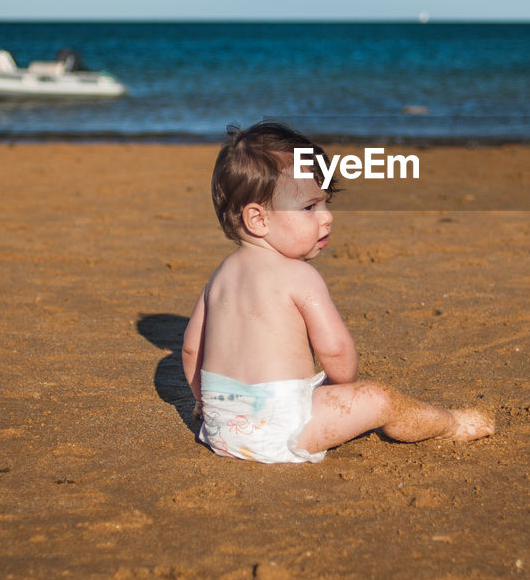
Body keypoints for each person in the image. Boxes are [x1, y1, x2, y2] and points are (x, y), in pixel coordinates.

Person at [181, 121, 494, 463]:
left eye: (326, 203)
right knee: (381, 400)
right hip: (282, 426)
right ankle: (451, 424)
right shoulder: (299, 275)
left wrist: (203, 402)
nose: (327, 217)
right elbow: (336, 351)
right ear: (258, 219)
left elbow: (191, 349)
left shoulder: (220, 277)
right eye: (310, 207)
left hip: (222, 429)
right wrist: (340, 388)